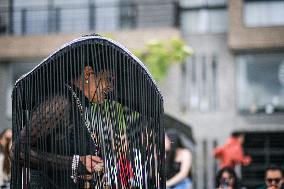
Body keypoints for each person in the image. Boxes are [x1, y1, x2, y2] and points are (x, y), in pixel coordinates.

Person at [11, 66, 113, 188]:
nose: (111, 88)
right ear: (88, 73)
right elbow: (18, 151)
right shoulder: (60, 101)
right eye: (108, 79)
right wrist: (76, 163)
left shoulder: (80, 107)